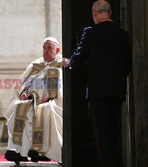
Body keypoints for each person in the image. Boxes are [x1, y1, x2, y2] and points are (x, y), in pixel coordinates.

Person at [62, 0, 132, 167]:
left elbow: (78, 59)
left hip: (97, 91)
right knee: (113, 130)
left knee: (100, 132)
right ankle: (115, 161)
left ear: (94, 14)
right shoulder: (123, 34)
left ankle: (107, 163)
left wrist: (69, 63)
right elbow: (127, 64)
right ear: (110, 13)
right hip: (117, 90)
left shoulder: (90, 32)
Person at [4, 37, 63, 163]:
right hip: (32, 100)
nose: (46, 51)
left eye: (49, 48)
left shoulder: (61, 64)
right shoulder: (36, 64)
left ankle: (40, 150)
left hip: (50, 102)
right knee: (17, 107)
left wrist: (49, 97)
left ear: (57, 50)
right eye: (44, 48)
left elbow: (61, 90)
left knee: (45, 110)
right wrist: (23, 93)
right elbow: (23, 83)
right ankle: (17, 151)